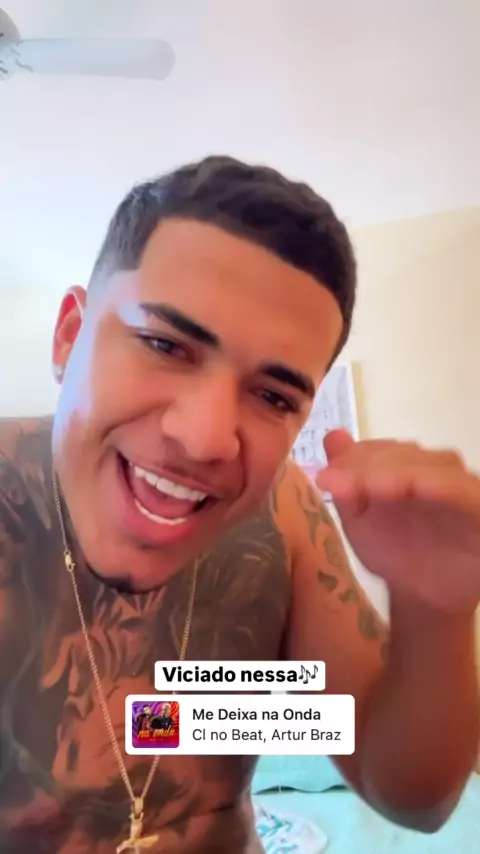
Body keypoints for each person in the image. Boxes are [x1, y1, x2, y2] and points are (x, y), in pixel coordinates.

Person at [1, 155, 479, 854]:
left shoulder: (282, 517)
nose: (204, 439)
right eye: (164, 344)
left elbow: (409, 795)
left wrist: (435, 613)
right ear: (69, 336)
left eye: (273, 396)